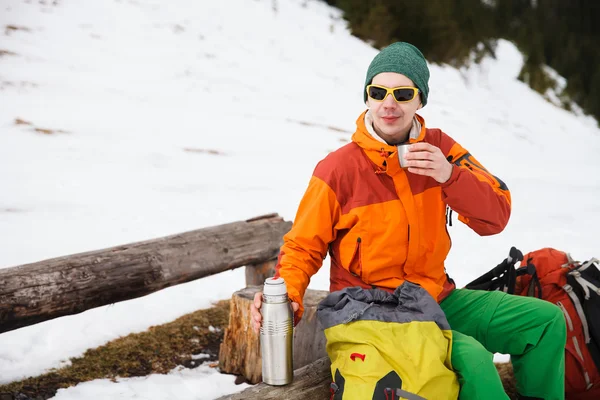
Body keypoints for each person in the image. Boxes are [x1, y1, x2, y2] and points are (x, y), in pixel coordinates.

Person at [251, 42, 566, 400]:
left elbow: (496, 215)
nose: (389, 103)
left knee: (544, 322)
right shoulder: (338, 169)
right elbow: (303, 245)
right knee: (475, 362)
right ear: (367, 98)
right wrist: (287, 293)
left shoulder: (440, 149)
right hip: (372, 311)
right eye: (378, 92)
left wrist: (450, 176)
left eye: (403, 93)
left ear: (420, 101)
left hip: (436, 298)